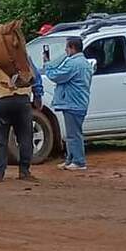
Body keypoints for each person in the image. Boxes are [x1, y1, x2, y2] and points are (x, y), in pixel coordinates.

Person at [0, 59, 44, 182]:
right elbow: (35, 76)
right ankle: (24, 171)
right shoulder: (23, 57)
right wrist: (37, 95)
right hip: (22, 99)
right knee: (25, 137)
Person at [45, 36, 93, 171]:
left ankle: (78, 161)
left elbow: (56, 76)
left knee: (73, 134)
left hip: (73, 103)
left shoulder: (73, 63)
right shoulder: (82, 62)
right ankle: (71, 159)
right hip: (77, 102)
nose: (65, 51)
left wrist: (47, 64)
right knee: (72, 133)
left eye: (67, 48)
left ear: (72, 48)